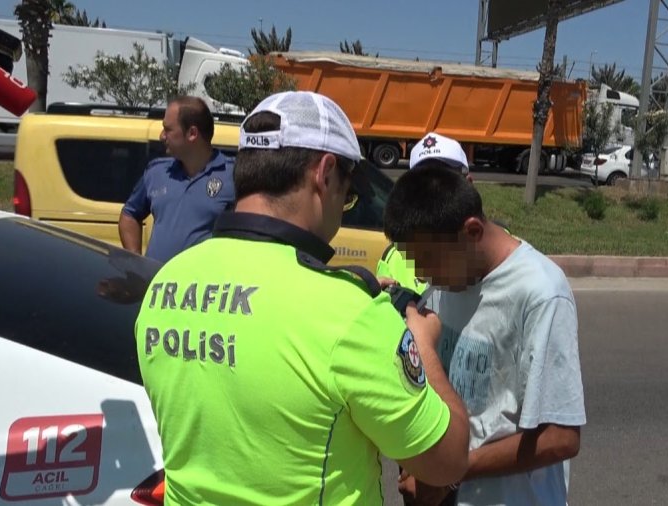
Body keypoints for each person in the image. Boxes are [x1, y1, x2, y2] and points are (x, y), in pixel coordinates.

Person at [135, 91, 469, 506]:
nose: (341, 211)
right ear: (325, 173)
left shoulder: (167, 282)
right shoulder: (351, 314)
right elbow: (448, 461)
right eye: (347, 196)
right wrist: (423, 346)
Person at [384, 166, 585, 506]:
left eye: (428, 260)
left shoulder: (540, 293)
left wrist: (451, 473)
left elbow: (560, 438)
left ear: (472, 231)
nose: (422, 274)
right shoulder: (448, 280)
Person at [119, 96, 235, 262]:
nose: (161, 136)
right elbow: (129, 215)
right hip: (158, 283)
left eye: (168, 129)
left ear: (192, 134)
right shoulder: (157, 172)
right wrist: (137, 263)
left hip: (202, 285)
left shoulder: (233, 175)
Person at [376, 132, 472, 295]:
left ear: (468, 183)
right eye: (421, 183)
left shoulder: (490, 249)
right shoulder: (393, 255)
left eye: (444, 181)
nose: (433, 190)